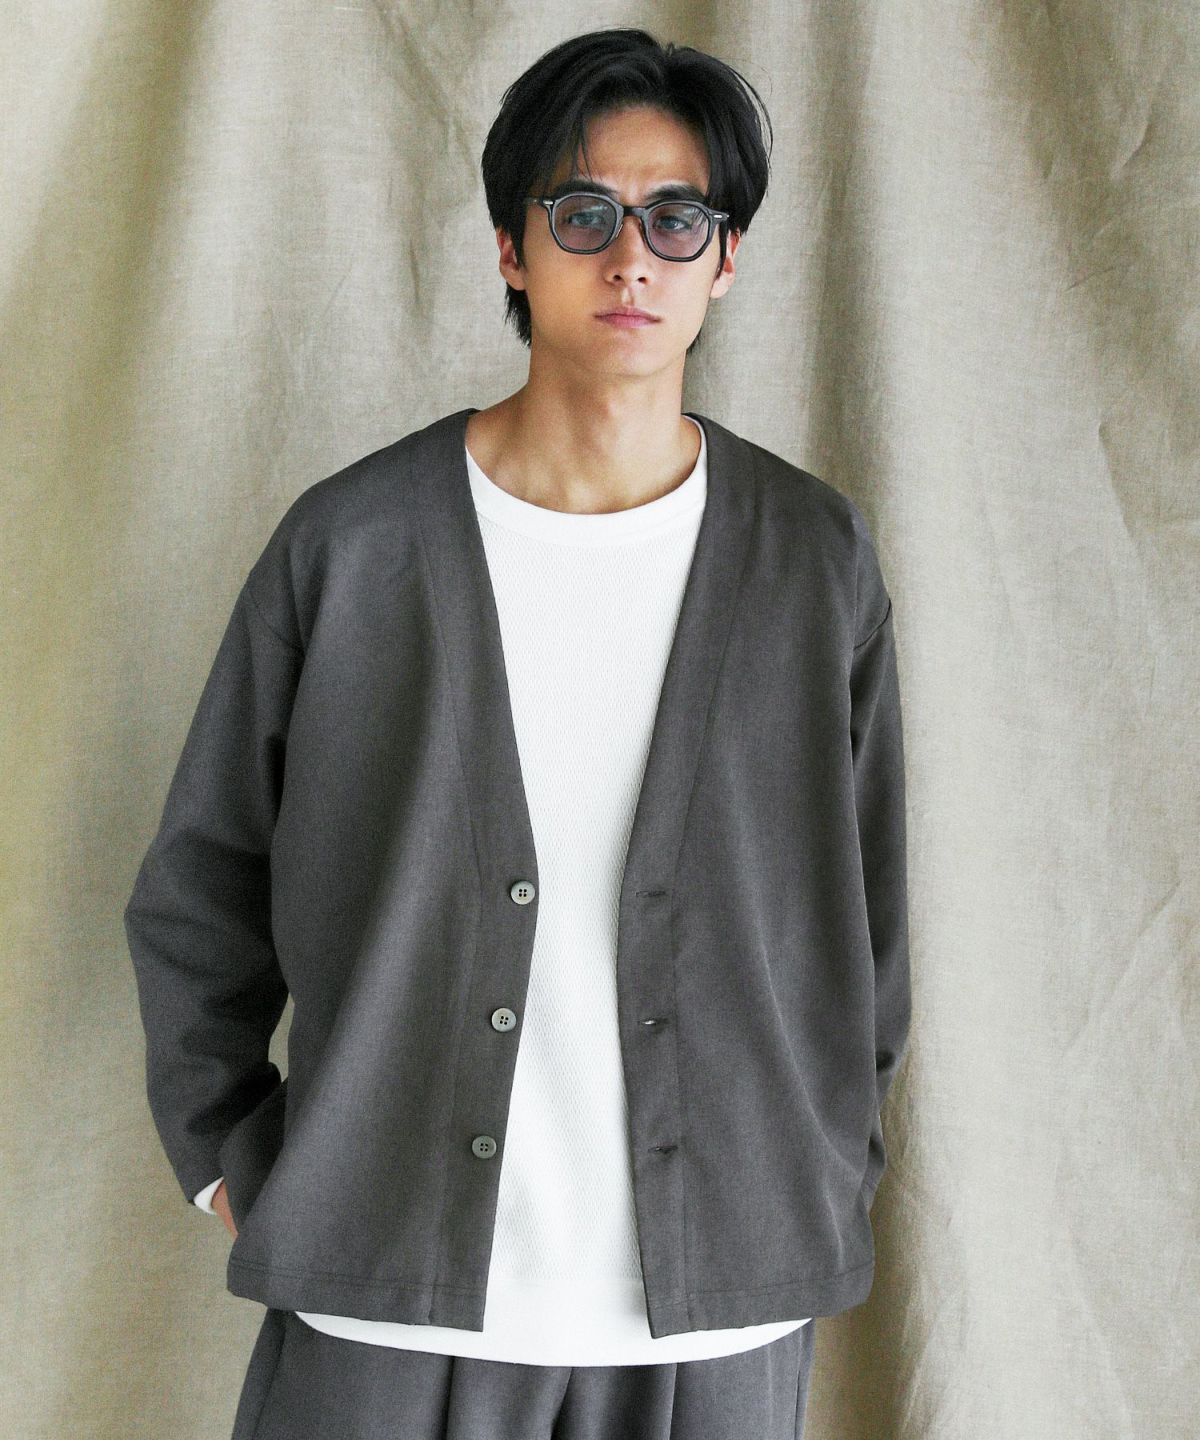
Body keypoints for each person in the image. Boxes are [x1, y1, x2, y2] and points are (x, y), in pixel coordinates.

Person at [124, 25, 911, 1440]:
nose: (632, 260)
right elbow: (201, 884)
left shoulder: (811, 560)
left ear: (725, 260)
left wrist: (825, 1165)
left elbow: (867, 925)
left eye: (677, 220)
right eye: (585, 214)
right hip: (386, 1304)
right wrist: (230, 1158)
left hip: (718, 1316)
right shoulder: (355, 546)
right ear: (511, 246)